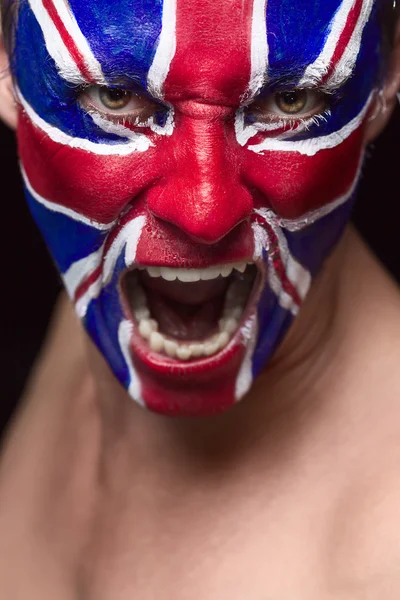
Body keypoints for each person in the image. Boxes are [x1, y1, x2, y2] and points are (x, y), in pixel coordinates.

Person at [0, 0, 400, 595]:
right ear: (5, 64)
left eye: (291, 100)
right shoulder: (97, 287)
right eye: (113, 96)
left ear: (387, 76)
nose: (205, 213)